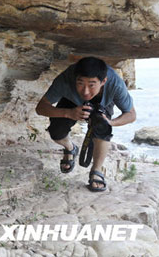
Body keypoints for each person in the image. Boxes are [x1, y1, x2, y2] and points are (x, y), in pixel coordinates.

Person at [35, 57, 136, 192]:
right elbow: (41, 108)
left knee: (103, 127)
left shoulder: (115, 84)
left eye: (92, 85)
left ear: (103, 81)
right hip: (71, 100)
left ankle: (96, 170)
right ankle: (70, 148)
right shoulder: (65, 79)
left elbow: (131, 114)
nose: (86, 91)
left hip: (103, 104)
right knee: (56, 131)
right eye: (80, 83)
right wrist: (68, 113)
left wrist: (111, 122)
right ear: (75, 78)